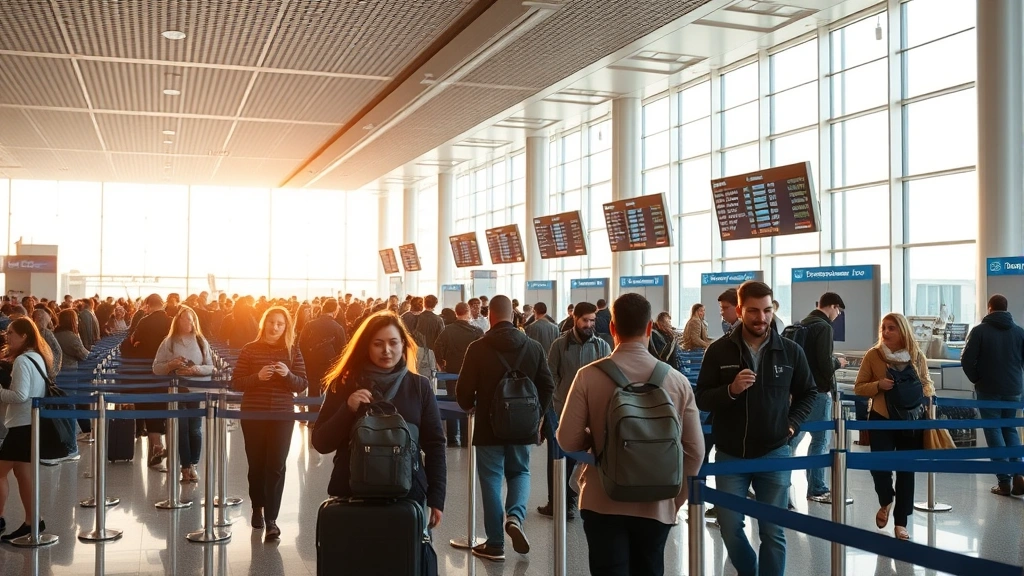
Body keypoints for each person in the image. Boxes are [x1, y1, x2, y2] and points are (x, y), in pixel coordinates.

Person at [557, 293, 705, 576]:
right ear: (650, 327)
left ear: (612, 328)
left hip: (602, 500)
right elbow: (695, 451)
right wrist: (674, 501)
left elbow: (567, 440)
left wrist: (594, 437)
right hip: (657, 504)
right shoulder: (677, 381)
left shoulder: (588, 376)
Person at [695, 281, 817, 576]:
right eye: (753, 311)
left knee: (773, 531)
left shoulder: (790, 351)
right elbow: (701, 397)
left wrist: (791, 424)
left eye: (767, 310)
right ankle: (750, 570)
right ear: (739, 310)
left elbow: (808, 392)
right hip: (730, 455)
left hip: (774, 453)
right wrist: (731, 390)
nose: (761, 318)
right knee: (729, 525)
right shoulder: (719, 351)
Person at [311, 311, 446, 531]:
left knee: (406, 562)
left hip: (408, 496)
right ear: (366, 346)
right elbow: (321, 442)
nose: (387, 350)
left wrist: (436, 498)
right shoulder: (343, 383)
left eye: (393, 342)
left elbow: (435, 445)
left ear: (403, 344)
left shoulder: (419, 387)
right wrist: (348, 409)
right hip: (352, 495)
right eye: (378, 343)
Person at [456, 296, 554, 562]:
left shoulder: (477, 348)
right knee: (520, 472)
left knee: (490, 481)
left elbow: (463, 391)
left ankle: (496, 544)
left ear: (491, 316)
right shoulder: (533, 347)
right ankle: (515, 518)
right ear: (513, 315)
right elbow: (548, 385)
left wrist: (470, 405)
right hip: (523, 428)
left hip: (489, 428)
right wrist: (538, 415)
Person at [230, 306, 308, 541]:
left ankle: (272, 519)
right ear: (264, 323)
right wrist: (257, 377)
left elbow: (302, 383)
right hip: (253, 414)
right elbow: (236, 382)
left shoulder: (293, 351)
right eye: (272, 322)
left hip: (282, 416)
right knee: (256, 463)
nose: (275, 327)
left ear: (286, 327)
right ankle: (257, 507)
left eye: (280, 324)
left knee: (276, 465)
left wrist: (287, 375)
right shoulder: (249, 350)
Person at [854, 313, 933, 541]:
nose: (886, 332)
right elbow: (859, 387)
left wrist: (926, 396)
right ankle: (886, 500)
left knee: (906, 471)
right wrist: (878, 385)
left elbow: (927, 383)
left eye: (891, 328)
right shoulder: (874, 355)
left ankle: (901, 522)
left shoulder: (916, 356)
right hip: (881, 418)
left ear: (903, 332)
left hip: (911, 420)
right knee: (880, 467)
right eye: (883, 328)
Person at [542, 302, 612, 519]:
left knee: (587, 454)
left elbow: (609, 376)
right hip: (561, 409)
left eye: (592, 320)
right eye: (585, 320)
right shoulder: (559, 345)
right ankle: (556, 501)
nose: (589, 325)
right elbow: (551, 373)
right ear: (575, 318)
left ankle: (576, 497)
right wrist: (560, 397)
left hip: (593, 411)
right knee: (558, 453)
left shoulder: (602, 346)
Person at [787, 292, 849, 504]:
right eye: (838, 310)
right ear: (831, 306)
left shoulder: (802, 324)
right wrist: (838, 363)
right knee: (820, 441)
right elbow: (823, 364)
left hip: (798, 391)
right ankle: (817, 488)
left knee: (793, 437)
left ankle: (779, 483)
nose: (837, 315)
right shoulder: (823, 327)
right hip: (818, 392)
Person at [960, 293, 1024, 496]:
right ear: (1006, 309)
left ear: (989, 309)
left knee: (993, 431)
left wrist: (977, 379)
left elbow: (967, 359)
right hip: (1014, 389)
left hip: (988, 389)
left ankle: (1004, 482)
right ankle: (1018, 474)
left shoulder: (979, 331)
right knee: (1010, 430)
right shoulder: (1019, 332)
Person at [0, 318, 54, 541]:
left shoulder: (23, 360)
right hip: (30, 423)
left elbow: (20, 396)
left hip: (21, 424)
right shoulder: (38, 357)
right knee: (23, 474)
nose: (7, 336)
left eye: (11, 333)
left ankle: (3, 517)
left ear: (23, 336)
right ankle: (33, 520)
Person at [152, 306, 215, 483]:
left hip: (197, 390)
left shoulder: (201, 341)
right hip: (177, 389)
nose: (189, 322)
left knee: (195, 429)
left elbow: (210, 366)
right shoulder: (169, 342)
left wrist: (196, 369)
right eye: (185, 319)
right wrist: (170, 366)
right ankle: (185, 466)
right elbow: (156, 367)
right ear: (177, 321)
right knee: (182, 428)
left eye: (191, 319)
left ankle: (193, 464)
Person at [126, 294, 174, 467]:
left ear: (148, 305)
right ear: (162, 304)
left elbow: (131, 341)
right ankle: (173, 450)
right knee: (169, 410)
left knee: (149, 407)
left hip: (145, 371)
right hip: (168, 372)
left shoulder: (144, 322)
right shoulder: (171, 322)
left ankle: (156, 446)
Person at [432, 302, 484, 447]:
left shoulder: (448, 330)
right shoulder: (477, 331)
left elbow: (437, 346)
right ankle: (467, 437)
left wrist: (441, 363)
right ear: (467, 312)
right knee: (468, 402)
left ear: (456, 312)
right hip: (471, 373)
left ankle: (453, 438)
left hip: (452, 371)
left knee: (452, 402)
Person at [298, 298, 348, 413]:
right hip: (330, 366)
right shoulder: (338, 328)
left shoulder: (309, 325)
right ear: (335, 311)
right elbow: (342, 351)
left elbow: (301, 345)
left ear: (322, 309)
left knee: (313, 391)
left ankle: (312, 419)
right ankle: (326, 418)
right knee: (330, 392)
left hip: (311, 364)